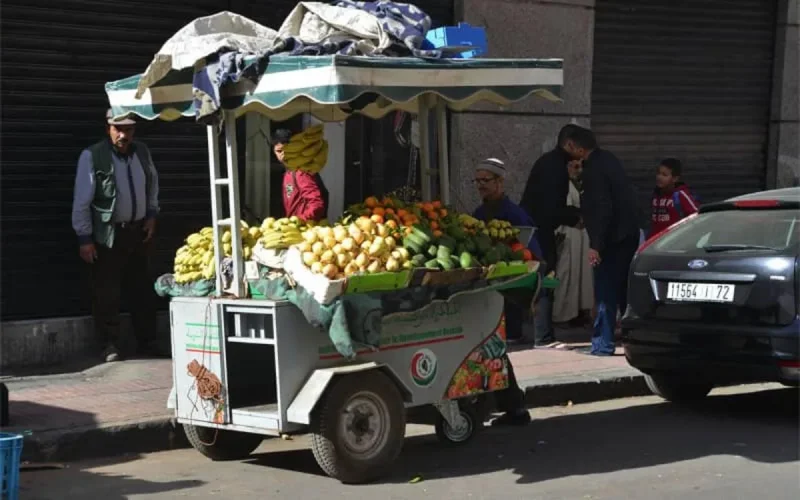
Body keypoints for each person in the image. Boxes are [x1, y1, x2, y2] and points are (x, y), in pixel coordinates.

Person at [72, 109, 160, 363]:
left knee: (142, 289)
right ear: (108, 128)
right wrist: (84, 238)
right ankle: (109, 344)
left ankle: (147, 340)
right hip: (108, 235)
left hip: (138, 231)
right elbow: (81, 200)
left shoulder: (141, 152)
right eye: (118, 129)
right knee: (106, 292)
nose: (123, 134)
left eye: (129, 129)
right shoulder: (92, 156)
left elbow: (152, 184)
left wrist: (152, 215)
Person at [472, 158, 543, 426]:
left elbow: (533, 254)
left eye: (485, 181)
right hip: (486, 291)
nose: (480, 186)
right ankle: (510, 406)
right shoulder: (480, 214)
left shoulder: (515, 215)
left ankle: (513, 407)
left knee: (494, 347)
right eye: (477, 181)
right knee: (489, 348)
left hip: (505, 292)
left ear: (500, 182)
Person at [562, 127, 640, 356]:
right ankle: (633, 340)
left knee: (605, 291)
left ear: (578, 148)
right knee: (624, 292)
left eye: (570, 147)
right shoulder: (609, 160)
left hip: (611, 239)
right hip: (628, 234)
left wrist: (596, 245)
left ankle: (602, 344)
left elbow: (602, 208)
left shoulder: (594, 169)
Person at [520, 124, 583, 347]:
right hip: (540, 230)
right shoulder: (555, 167)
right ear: (570, 145)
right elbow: (552, 207)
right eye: (581, 148)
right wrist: (575, 217)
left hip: (535, 227)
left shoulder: (550, 162)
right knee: (545, 279)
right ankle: (543, 336)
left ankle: (520, 332)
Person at [552, 159, 594, 326]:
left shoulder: (581, 185)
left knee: (580, 274)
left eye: (580, 167)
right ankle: (561, 314)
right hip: (568, 233)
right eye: (574, 166)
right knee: (565, 274)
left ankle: (578, 312)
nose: (578, 170)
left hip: (581, 235)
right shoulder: (561, 185)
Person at [273, 129, 329, 222]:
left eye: (286, 151)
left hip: (304, 229)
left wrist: (300, 220)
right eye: (279, 151)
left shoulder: (301, 173)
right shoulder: (289, 172)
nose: (283, 155)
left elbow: (317, 205)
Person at [650, 158, 699, 236]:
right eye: (658, 173)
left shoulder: (680, 195)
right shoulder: (656, 195)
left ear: (675, 178)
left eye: (664, 175)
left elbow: (697, 216)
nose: (659, 177)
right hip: (656, 243)